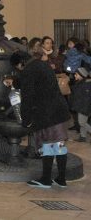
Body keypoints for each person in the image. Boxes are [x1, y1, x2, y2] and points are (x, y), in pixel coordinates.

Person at [9, 49, 72, 188]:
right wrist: (16, 82)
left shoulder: (28, 71)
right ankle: (61, 179)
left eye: (17, 67)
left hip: (46, 114)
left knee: (48, 145)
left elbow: (27, 97)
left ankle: (46, 179)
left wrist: (25, 120)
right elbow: (36, 82)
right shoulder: (42, 64)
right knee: (60, 145)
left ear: (21, 63)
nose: (18, 69)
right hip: (59, 111)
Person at [69, 67, 91, 142]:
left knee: (82, 123)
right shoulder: (80, 83)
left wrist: (83, 108)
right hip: (81, 106)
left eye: (76, 74)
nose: (75, 75)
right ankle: (83, 136)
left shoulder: (86, 85)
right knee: (82, 122)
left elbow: (86, 99)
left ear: (81, 75)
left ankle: (83, 136)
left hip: (84, 107)